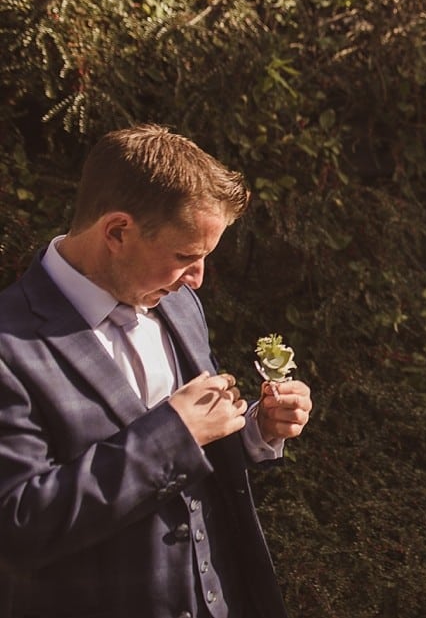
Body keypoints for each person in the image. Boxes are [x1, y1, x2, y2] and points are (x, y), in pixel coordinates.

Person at [0, 124, 313, 618]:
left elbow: (195, 459)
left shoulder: (180, 305)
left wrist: (253, 430)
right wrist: (174, 433)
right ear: (118, 232)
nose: (198, 279)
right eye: (186, 256)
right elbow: (17, 524)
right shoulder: (9, 345)